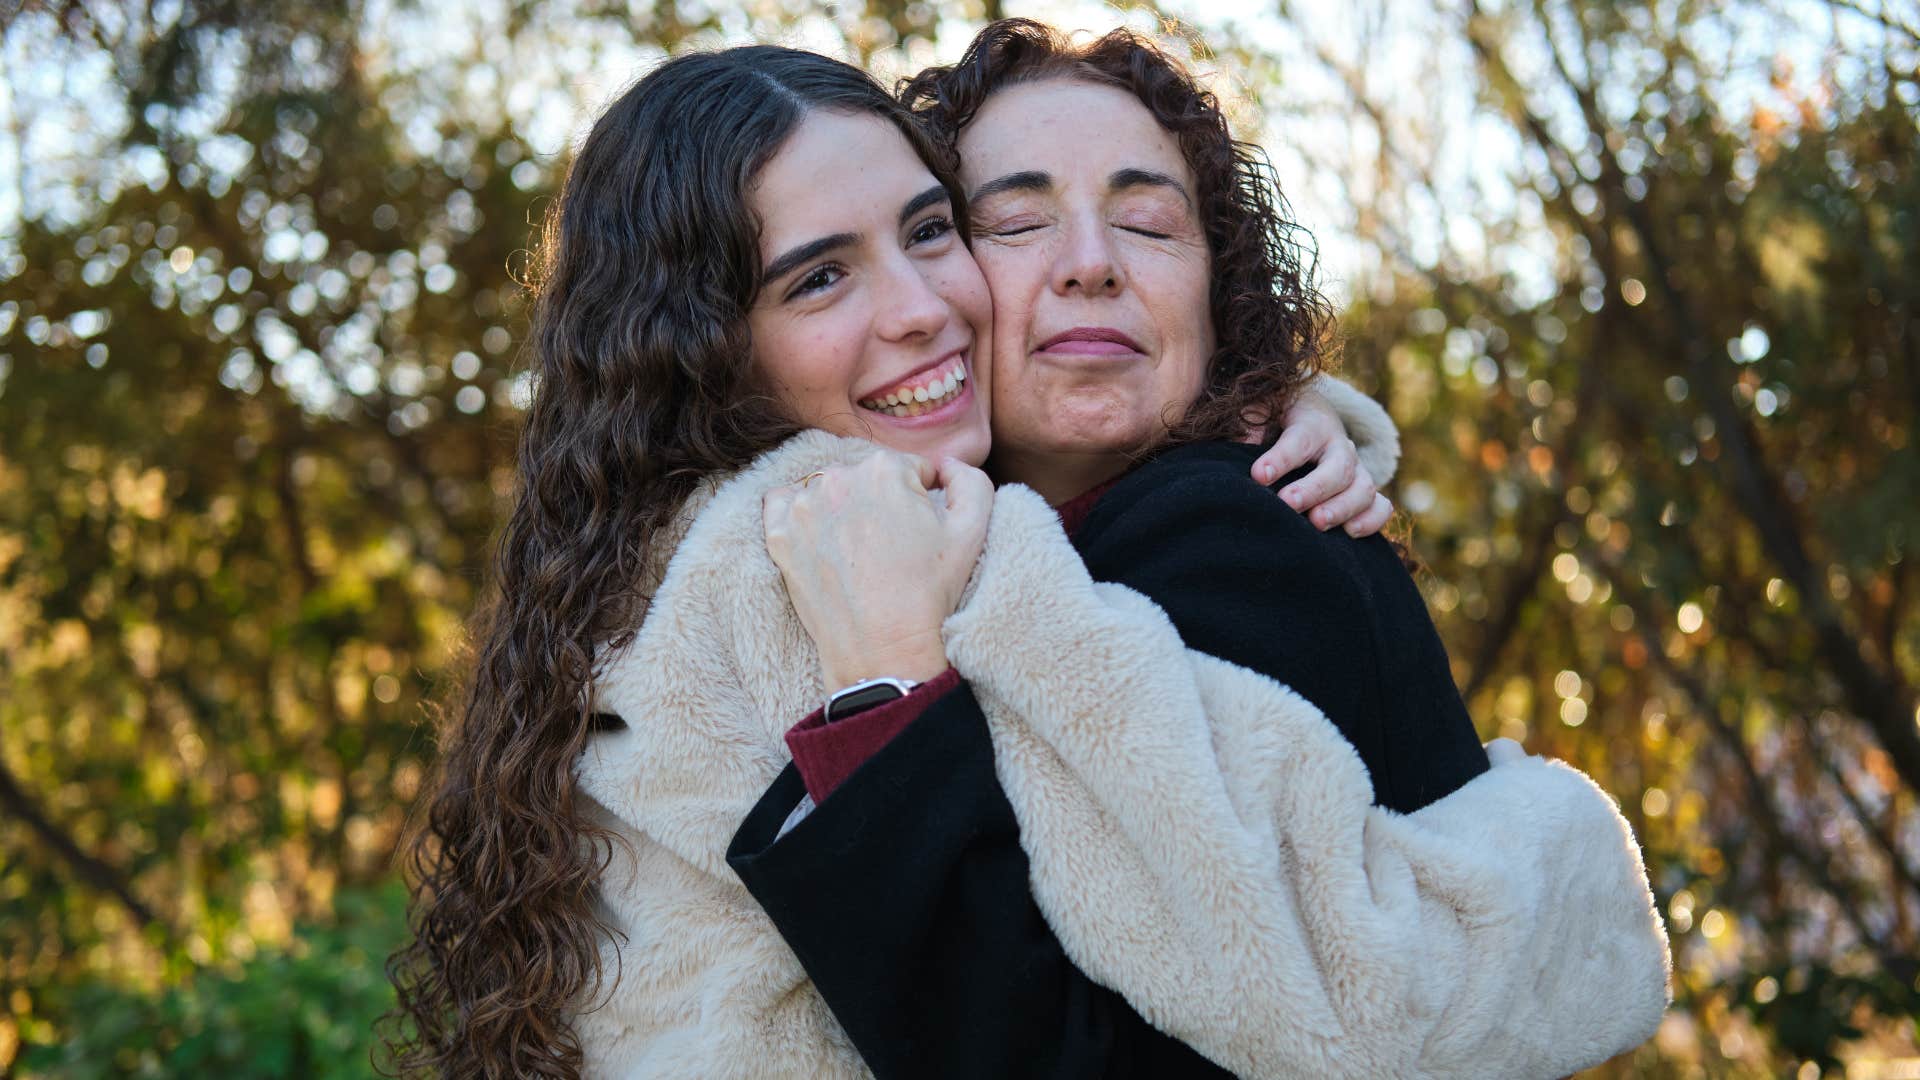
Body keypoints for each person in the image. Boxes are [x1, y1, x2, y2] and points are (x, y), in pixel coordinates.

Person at [382, 42, 1394, 1079]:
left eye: (928, 231)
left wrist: (1285, 407)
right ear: (701, 347)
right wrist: (887, 698)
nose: (920, 308)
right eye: (819, 278)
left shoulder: (1196, 515)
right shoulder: (786, 559)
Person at [722, 20, 1668, 1079]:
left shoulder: (1234, 531)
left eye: (1149, 223)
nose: (1091, 265)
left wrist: (882, 701)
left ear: (1217, 300)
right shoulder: (987, 547)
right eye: (1017, 222)